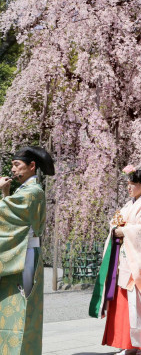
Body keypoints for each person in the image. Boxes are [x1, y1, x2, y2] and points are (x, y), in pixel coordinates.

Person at [97, 166, 141, 355]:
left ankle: (138, 344)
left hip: (139, 261)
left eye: (132, 184)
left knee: (137, 303)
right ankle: (127, 342)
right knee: (124, 301)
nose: (128, 188)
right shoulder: (130, 204)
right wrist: (116, 228)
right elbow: (117, 222)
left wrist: (124, 230)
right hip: (125, 259)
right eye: (127, 184)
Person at [0, 146, 54, 355]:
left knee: (23, 308)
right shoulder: (24, 190)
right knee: (10, 308)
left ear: (32, 166)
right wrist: (6, 193)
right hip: (18, 252)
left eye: (17, 165)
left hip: (25, 255)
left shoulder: (34, 192)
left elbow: (6, 213)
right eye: (13, 165)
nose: (13, 170)